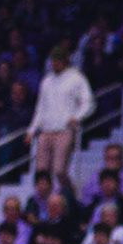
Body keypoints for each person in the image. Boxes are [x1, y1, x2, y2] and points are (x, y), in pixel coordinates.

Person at [29, 44, 93, 187]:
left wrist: (77, 117)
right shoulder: (46, 81)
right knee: (41, 172)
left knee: (59, 170)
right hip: (46, 130)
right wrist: (31, 130)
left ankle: (69, 194)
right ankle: (46, 198)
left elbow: (88, 102)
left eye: (57, 60)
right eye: (53, 60)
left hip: (64, 129)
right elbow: (40, 108)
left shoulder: (76, 78)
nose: (54, 64)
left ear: (65, 60)